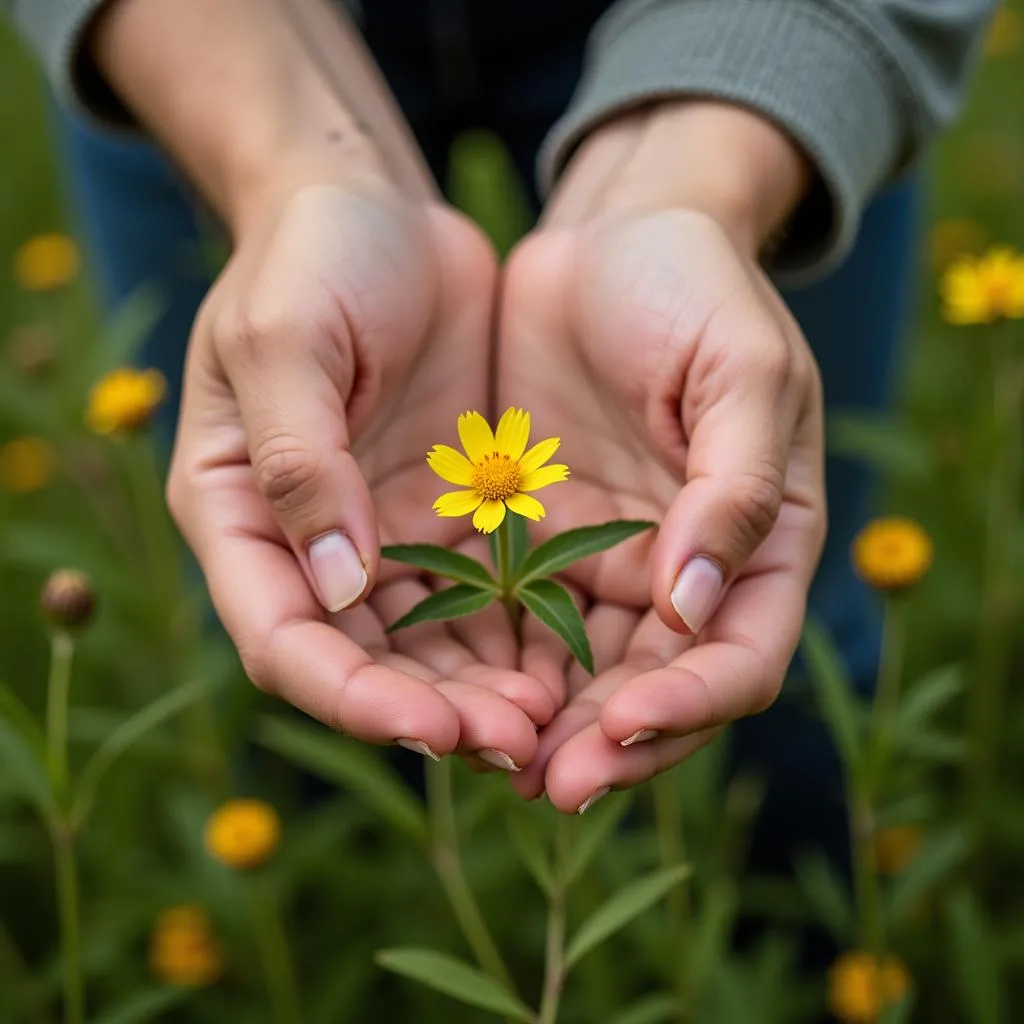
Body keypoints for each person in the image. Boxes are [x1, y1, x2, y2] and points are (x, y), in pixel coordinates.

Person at [6, 0, 993, 846]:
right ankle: (343, 923)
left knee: (772, 609)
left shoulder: (505, 480)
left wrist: (694, 178)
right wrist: (286, 166)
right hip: (195, 37)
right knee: (280, 600)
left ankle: (805, 930)